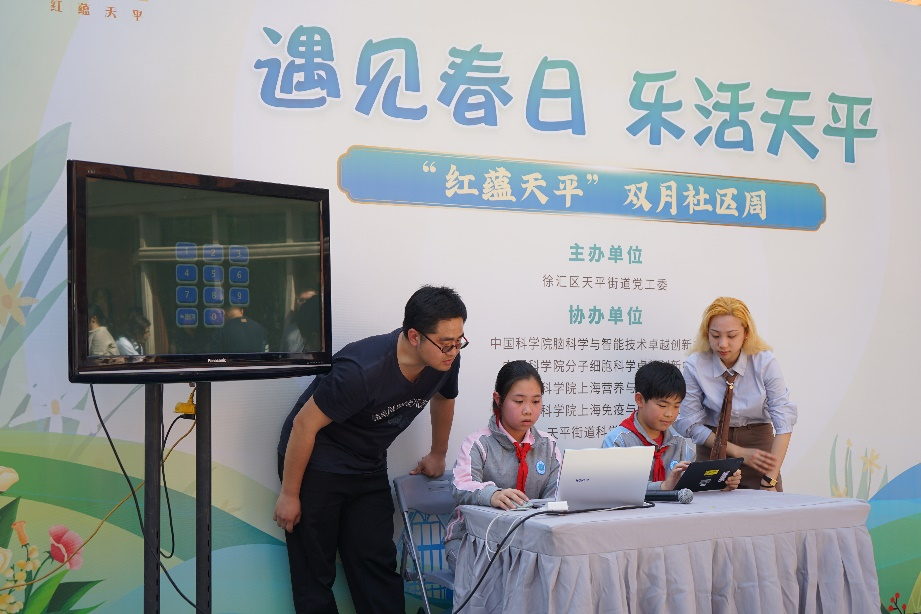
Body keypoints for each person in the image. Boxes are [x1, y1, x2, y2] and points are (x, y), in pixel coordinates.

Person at [274, 285, 467, 614]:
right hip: (317, 462)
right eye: (446, 343)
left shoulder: (445, 361)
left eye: (459, 341)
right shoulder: (362, 370)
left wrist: (438, 452)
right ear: (415, 336)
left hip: (367, 463)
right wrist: (290, 495)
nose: (453, 351)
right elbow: (304, 425)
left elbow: (445, 398)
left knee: (375, 561)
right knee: (314, 571)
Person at [443, 360, 562, 571]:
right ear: (498, 399)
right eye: (519, 401)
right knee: (502, 574)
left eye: (536, 401)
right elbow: (461, 486)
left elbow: (558, 494)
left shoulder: (548, 446)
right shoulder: (478, 443)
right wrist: (492, 495)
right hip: (472, 542)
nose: (528, 410)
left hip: (528, 544)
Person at [673, 297, 797, 491]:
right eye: (715, 335)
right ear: (706, 333)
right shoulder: (695, 365)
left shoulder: (764, 362)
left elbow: (784, 422)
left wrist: (770, 480)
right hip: (712, 446)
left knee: (767, 507)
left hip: (759, 447)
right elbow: (689, 424)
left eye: (731, 336)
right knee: (710, 508)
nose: (723, 344)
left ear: (746, 333)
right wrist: (738, 451)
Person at [602, 360, 741, 492]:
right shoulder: (618, 441)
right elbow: (615, 489)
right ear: (639, 400)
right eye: (662, 405)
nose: (669, 414)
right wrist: (663, 487)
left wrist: (720, 484)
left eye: (676, 406)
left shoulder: (679, 443)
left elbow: (691, 485)